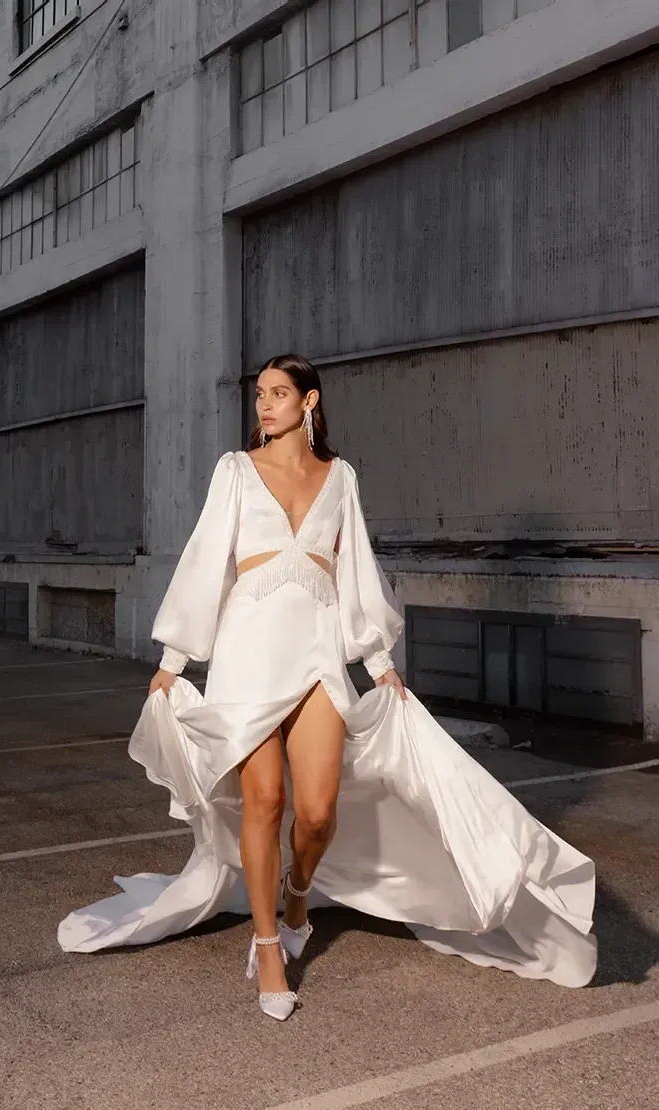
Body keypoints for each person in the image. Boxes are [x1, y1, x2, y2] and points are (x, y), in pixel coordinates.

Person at [58, 354, 597, 1019]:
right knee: (265, 800)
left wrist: (377, 664)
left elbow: (355, 575)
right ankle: (267, 949)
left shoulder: (339, 478)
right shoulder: (234, 470)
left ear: (309, 401)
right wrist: (174, 661)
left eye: (279, 394)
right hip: (247, 651)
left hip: (316, 652)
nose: (265, 405)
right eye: (259, 395)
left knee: (315, 812)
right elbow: (205, 564)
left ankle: (296, 893)